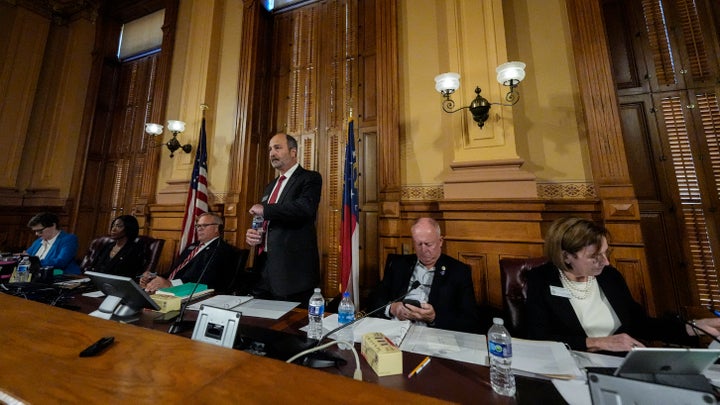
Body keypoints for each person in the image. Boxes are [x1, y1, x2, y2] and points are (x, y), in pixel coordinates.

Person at [526, 217, 720, 353]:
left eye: (606, 253)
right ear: (566, 256)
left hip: (620, 362)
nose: (606, 262)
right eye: (595, 257)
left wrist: (692, 327)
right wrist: (598, 343)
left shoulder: (609, 276)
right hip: (573, 366)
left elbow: (640, 324)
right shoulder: (542, 280)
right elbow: (538, 338)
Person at [245, 133, 322, 305]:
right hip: (264, 270)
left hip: (292, 275)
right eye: (270, 149)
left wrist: (265, 209)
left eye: (277, 148)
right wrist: (254, 234)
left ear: (293, 152)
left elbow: (305, 208)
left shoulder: (309, 178)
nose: (272, 153)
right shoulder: (270, 186)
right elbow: (266, 219)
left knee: (290, 327)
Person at [366, 217, 479, 333]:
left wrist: (434, 318)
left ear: (440, 241)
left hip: (433, 335)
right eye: (418, 244)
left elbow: (470, 321)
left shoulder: (458, 271)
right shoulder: (398, 264)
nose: (423, 250)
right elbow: (374, 299)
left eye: (428, 244)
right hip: (395, 328)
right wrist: (391, 308)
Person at [141, 213, 239, 294]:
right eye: (198, 226)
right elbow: (174, 271)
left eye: (204, 225)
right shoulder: (192, 246)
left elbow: (204, 280)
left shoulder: (222, 250)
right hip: (168, 290)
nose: (199, 229)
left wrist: (170, 284)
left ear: (217, 228)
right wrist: (153, 277)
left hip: (190, 294)